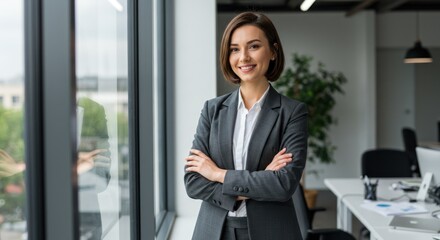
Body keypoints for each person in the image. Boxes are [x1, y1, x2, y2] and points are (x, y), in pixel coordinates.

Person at [184, 12, 308, 240]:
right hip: (214, 231)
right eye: (234, 49)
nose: (243, 57)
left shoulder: (292, 112)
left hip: (272, 232)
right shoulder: (212, 110)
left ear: (273, 51)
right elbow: (193, 183)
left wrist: (217, 173)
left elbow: (283, 184)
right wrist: (259, 180)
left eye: (253, 46)